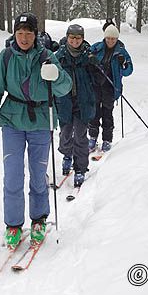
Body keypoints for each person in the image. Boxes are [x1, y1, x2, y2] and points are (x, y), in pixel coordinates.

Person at [0, 12, 72, 249]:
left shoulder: (47, 56)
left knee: (38, 174)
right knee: (12, 175)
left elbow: (65, 87)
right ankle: (13, 224)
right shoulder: (6, 56)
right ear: (14, 34)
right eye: (19, 33)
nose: (23, 37)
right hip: (12, 120)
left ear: (35, 34)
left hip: (41, 120)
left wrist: (57, 76)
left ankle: (39, 219)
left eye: (28, 33)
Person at [55, 24, 103, 187]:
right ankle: (67, 155)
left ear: (82, 39)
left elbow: (99, 81)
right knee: (66, 134)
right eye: (72, 37)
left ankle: (80, 168)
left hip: (83, 102)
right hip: (64, 102)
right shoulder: (59, 56)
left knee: (81, 137)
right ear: (67, 38)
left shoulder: (88, 55)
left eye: (78, 38)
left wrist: (95, 66)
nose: (75, 41)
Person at [88, 24, 133, 152]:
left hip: (110, 87)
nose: (110, 41)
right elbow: (86, 57)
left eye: (113, 39)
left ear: (117, 39)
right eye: (108, 38)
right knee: (94, 112)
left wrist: (123, 63)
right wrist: (91, 59)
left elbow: (128, 71)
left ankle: (107, 139)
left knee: (107, 113)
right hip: (96, 85)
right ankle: (92, 137)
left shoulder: (121, 51)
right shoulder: (97, 47)